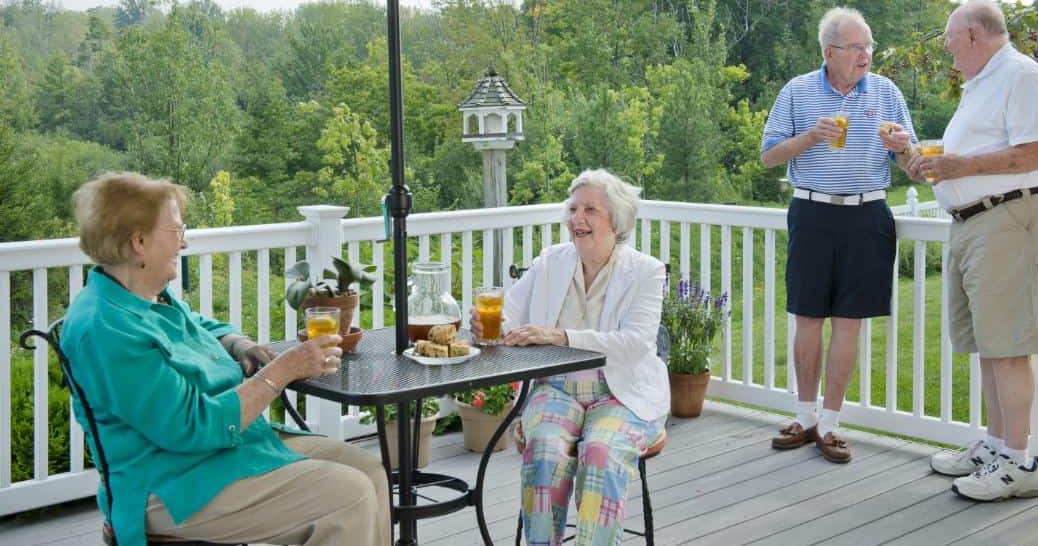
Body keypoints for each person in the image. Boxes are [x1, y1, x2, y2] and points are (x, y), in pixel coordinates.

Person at [61, 172, 390, 546]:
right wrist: (285, 369)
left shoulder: (144, 296)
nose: (183, 242)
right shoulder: (107, 330)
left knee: (371, 471)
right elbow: (193, 427)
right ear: (139, 242)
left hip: (229, 452)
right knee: (350, 495)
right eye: (176, 230)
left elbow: (198, 324)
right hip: (173, 483)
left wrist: (238, 343)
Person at [912, 0, 1038, 501]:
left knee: (1009, 347)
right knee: (990, 345)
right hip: (977, 223)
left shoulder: (1022, 75)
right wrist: (932, 163)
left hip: (1009, 220)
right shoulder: (983, 82)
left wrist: (961, 168)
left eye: (950, 39)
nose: (948, 50)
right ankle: (997, 446)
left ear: (974, 35)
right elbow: (979, 150)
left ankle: (1020, 465)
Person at [470, 168, 667, 546]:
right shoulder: (550, 262)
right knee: (544, 449)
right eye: (573, 209)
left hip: (620, 390)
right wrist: (487, 326)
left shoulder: (646, 272)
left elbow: (636, 343)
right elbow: (509, 312)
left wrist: (560, 335)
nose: (577, 219)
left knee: (600, 454)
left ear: (617, 220)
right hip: (555, 387)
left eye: (590, 210)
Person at [760, 7, 916, 463]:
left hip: (868, 215)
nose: (867, 54)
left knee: (849, 323)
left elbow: (912, 165)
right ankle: (804, 416)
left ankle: (830, 424)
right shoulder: (798, 91)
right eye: (857, 47)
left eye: (870, 45)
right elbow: (769, 156)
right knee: (807, 318)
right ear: (830, 52)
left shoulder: (886, 92)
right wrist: (810, 137)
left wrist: (903, 149)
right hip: (811, 211)